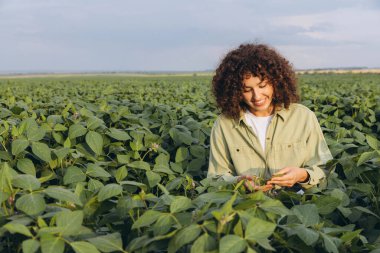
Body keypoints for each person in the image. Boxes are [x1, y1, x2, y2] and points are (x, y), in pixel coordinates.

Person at [208, 43, 333, 191]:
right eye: (247, 90)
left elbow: (325, 169)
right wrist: (239, 181)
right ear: (235, 92)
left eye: (262, 86)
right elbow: (215, 178)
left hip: (297, 204)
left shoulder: (303, 117)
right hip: (247, 206)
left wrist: (302, 175)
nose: (257, 96)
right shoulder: (224, 124)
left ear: (276, 82)